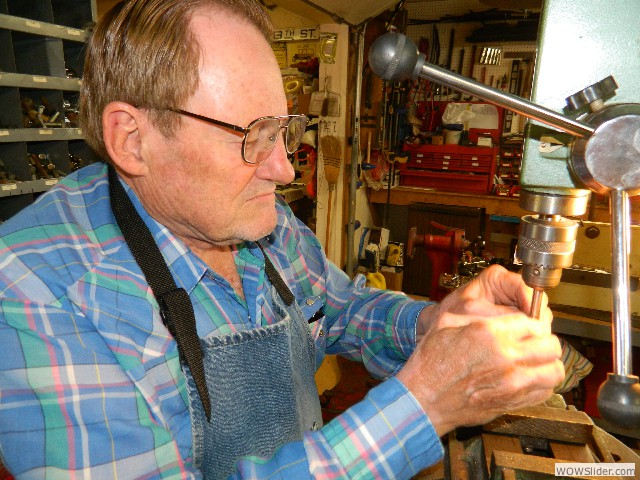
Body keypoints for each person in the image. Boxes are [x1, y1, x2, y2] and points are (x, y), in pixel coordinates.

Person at [0, 0, 564, 478]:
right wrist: (423, 405)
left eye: (283, 130)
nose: (284, 169)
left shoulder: (250, 213)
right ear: (132, 139)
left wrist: (433, 325)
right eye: (253, 136)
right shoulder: (33, 288)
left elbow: (339, 309)